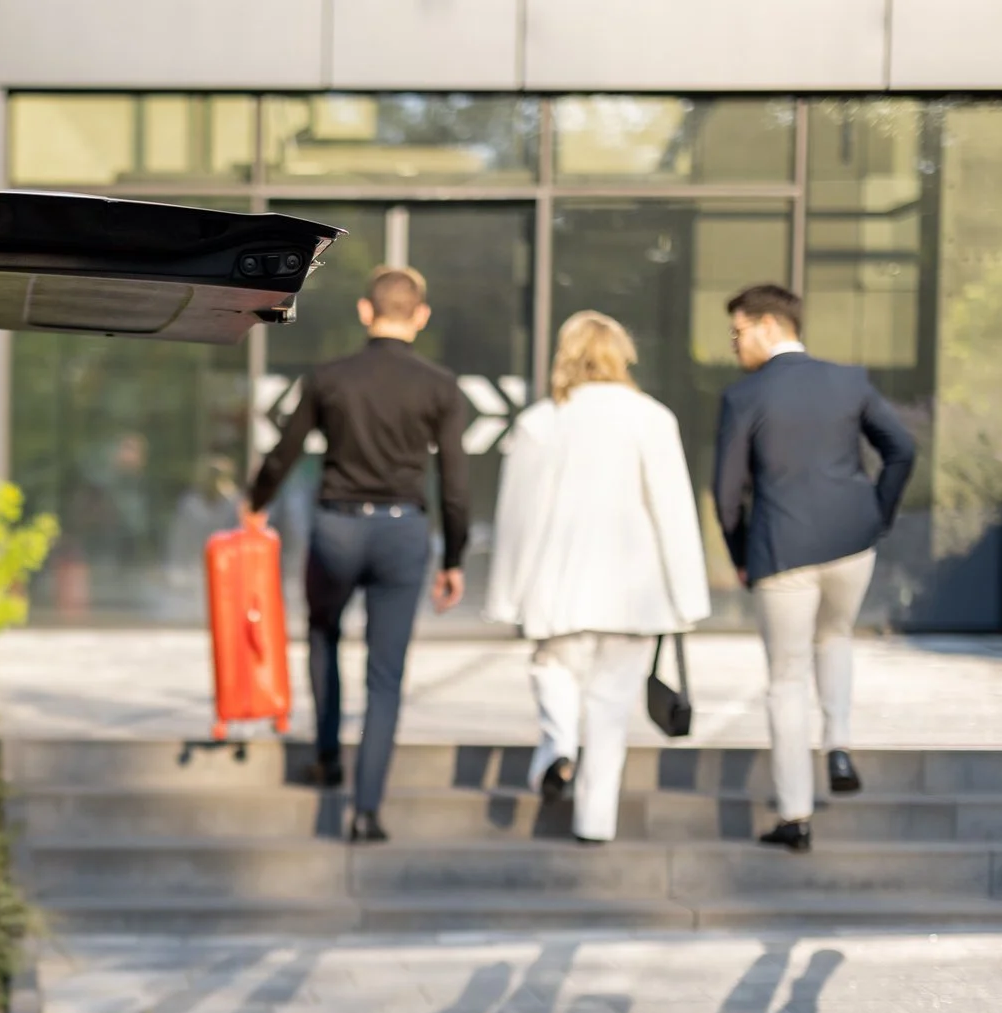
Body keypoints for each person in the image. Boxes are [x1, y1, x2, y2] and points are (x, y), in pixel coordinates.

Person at [245, 265, 469, 842]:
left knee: (323, 634)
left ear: (365, 312)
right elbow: (456, 484)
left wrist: (256, 503)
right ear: (420, 316)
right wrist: (455, 558)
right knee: (386, 676)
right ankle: (366, 810)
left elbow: (284, 452)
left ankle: (327, 756)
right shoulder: (440, 386)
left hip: (337, 529)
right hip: (403, 533)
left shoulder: (327, 377)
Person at [485, 311, 712, 843]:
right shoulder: (651, 418)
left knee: (553, 670)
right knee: (611, 709)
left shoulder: (541, 422)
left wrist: (505, 595)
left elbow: (516, 515)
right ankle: (595, 821)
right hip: (633, 593)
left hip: (558, 583)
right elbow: (673, 511)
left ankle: (559, 745)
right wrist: (687, 598)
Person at [714, 282, 919, 853]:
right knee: (835, 638)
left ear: (768, 326)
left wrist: (740, 556)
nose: (734, 346)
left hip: (781, 549)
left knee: (784, 680)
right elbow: (902, 449)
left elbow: (726, 493)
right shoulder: (848, 380)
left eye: (737, 333)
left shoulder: (744, 397)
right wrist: (875, 515)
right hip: (852, 544)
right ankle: (839, 744)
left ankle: (796, 816)